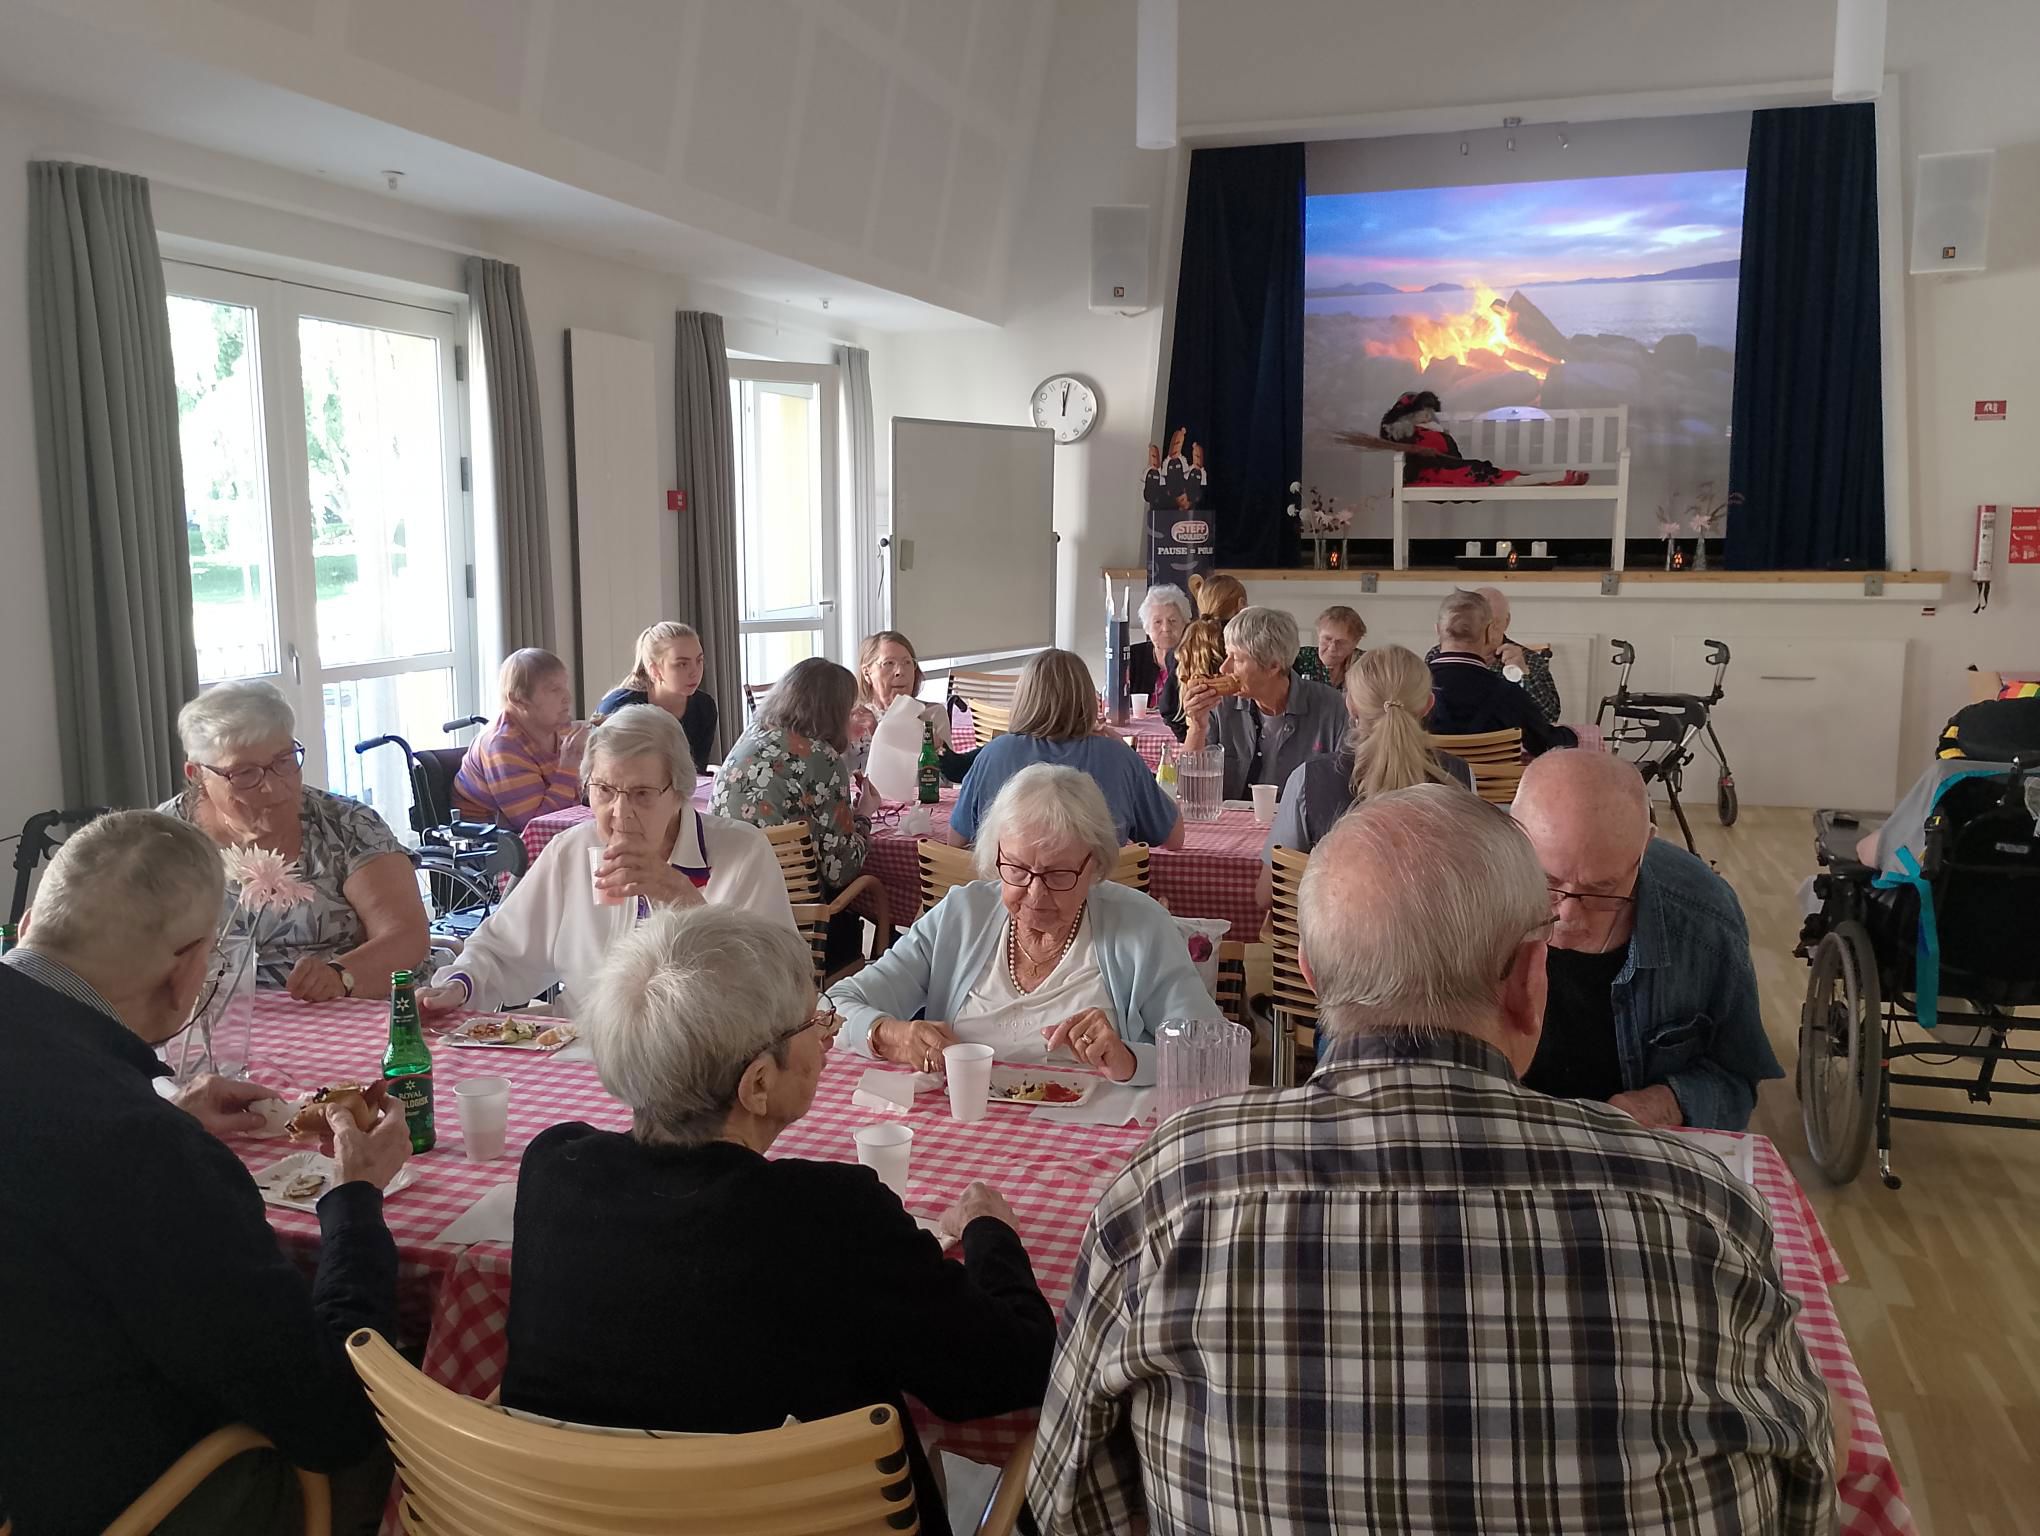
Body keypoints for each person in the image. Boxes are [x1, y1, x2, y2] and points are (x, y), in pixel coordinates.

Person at [1030, 783, 1835, 1533]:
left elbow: (1067, 1500)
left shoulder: (1171, 1190)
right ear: (1529, 979)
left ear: (1311, 977)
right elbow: (1808, 1489)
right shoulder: (1705, 1211)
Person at [501, 905, 1055, 1529]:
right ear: (758, 1084)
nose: (825, 1039)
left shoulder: (553, 1168)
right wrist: (990, 1233)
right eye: (813, 1023)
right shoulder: (831, 1216)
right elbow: (1010, 1370)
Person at [0, 810, 411, 1536]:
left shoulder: (117, 1125)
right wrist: (354, 1200)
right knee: (414, 1442)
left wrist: (168, 1112)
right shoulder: (136, 1149)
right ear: (189, 967)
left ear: (33, 924)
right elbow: (331, 1411)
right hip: (114, 1503)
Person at [829, 765, 1211, 1086]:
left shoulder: (1141, 926)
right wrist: (890, 1035)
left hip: (1094, 1137)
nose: (1035, 894)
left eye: (1058, 874)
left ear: (1094, 865)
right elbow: (833, 1007)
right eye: (1016, 869)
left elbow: (1209, 1051)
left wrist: (1130, 1059)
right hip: (965, 1130)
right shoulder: (962, 915)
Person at [419, 705, 792, 1015]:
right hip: (582, 1049)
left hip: (700, 1057)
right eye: (605, 791)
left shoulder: (742, 853)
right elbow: (502, 950)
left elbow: (779, 987)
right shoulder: (572, 852)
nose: (620, 813)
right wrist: (460, 984)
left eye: (642, 793)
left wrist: (686, 901)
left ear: (679, 793)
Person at [1512, 750, 1782, 1131]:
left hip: (1634, 1144)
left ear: (1644, 848)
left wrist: (1668, 1103)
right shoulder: (1466, 900)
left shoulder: (1704, 922)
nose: (1569, 915)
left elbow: (1737, 1076)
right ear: (1510, 840)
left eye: (1602, 888)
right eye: (1547, 881)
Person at [160, 680, 430, 1000]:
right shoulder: (164, 839)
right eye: (245, 773)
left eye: (285, 761)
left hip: (342, 1006)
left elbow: (405, 934)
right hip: (211, 1013)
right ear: (197, 774)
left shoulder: (346, 825)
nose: (274, 787)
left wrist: (340, 975)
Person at [1258, 644, 1471, 904]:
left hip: (1335, 928)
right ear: (1427, 705)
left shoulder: (1308, 778)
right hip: (1436, 930)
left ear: (1350, 705)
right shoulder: (1460, 777)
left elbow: (1267, 895)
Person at [711, 658, 877, 972]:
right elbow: (841, 870)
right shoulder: (822, 757)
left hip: (731, 908)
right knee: (866, 897)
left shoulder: (750, 737)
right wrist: (864, 815)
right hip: (797, 927)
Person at [950, 649, 1183, 851]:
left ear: (1023, 698)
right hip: (1097, 888)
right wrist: (1125, 749)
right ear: (1088, 698)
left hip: (1008, 887)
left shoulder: (993, 754)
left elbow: (956, 841)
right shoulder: (1119, 757)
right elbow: (1174, 839)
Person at [1182, 607, 1349, 801]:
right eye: (1227, 655)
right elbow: (1188, 791)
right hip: (1231, 819)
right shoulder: (1219, 705)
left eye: (1237, 659)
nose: (1223, 668)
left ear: (1273, 666)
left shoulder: (1333, 709)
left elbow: (1349, 787)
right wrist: (1197, 726)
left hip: (1302, 819)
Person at [452, 647, 587, 832]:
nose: (567, 697)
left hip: (557, 830)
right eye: (554, 690)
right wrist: (569, 767)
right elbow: (535, 826)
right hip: (494, 841)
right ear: (519, 699)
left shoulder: (558, 727)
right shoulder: (503, 746)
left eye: (565, 686)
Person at [1425, 589, 1577, 754]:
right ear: (1488, 632)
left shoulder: (1412, 686)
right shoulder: (1509, 692)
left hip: (1427, 770)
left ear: (1438, 630)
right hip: (1492, 770)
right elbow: (1544, 742)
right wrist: (1572, 736)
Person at [848, 629, 975, 782]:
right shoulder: (854, 718)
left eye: (907, 662)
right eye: (889, 663)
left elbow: (944, 781)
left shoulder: (932, 715)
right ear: (867, 673)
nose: (900, 671)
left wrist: (935, 748)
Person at [596, 621, 718, 767]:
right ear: (654, 670)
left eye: (699, 660)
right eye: (682, 664)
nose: (695, 672)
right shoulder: (620, 707)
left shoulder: (704, 707)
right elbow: (602, 768)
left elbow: (696, 771)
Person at [1127, 584, 1192, 739]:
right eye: (1157, 622)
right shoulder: (1131, 657)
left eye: (1173, 621)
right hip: (1138, 738)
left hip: (1181, 737)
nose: (1166, 628)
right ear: (1146, 627)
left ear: (1185, 624)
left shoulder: (1194, 659)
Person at [1291, 604, 1366, 690]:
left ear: (1355, 642)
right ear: (1318, 634)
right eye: (1327, 639)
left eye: (1341, 642)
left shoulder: (1365, 664)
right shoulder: (1299, 657)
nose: (1332, 648)